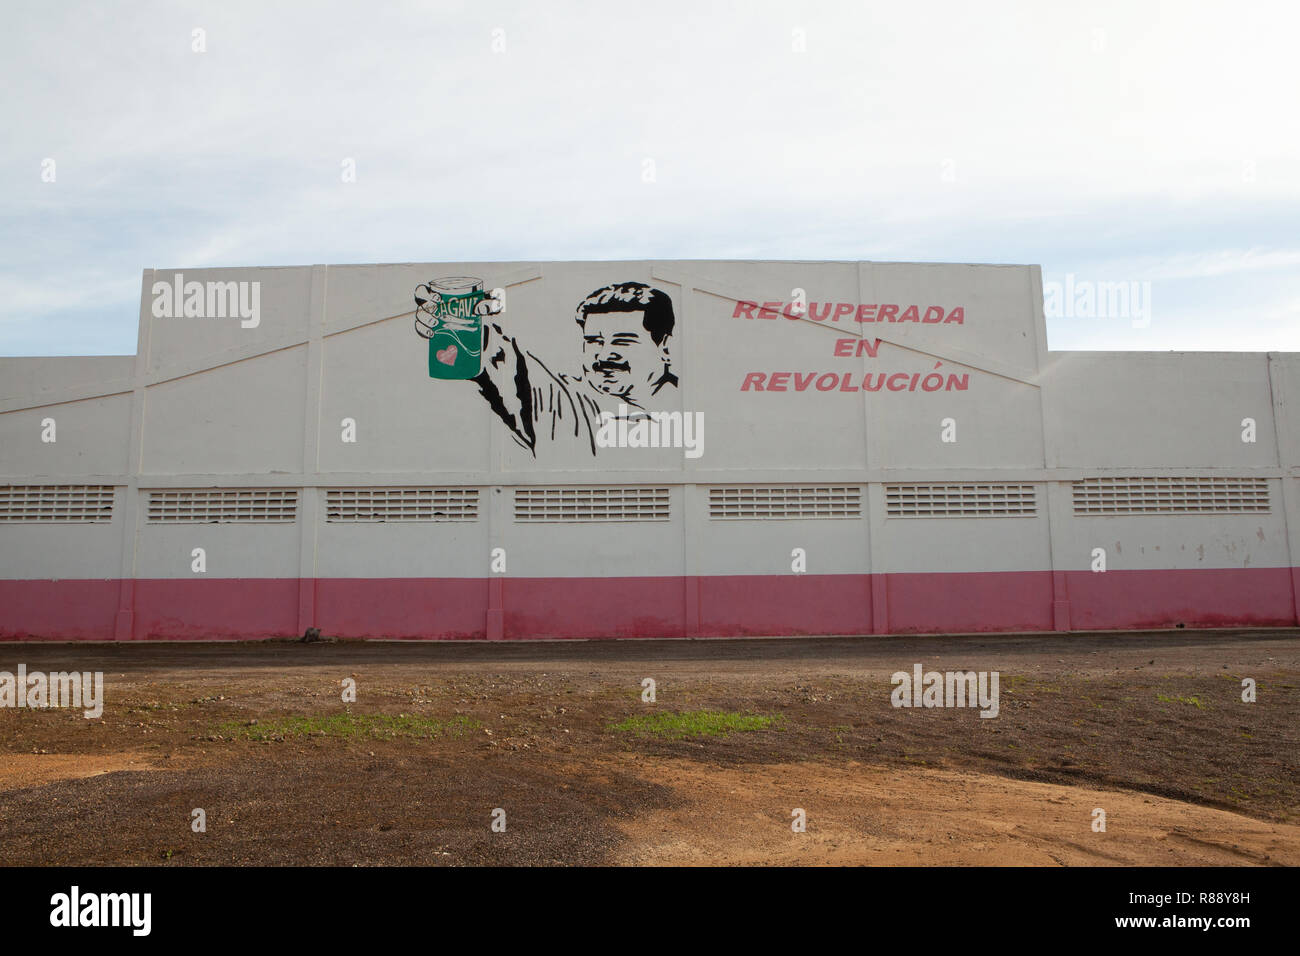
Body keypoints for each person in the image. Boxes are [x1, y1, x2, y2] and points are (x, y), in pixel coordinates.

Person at [417, 280, 677, 455]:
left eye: (623, 341)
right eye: (593, 341)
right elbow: (505, 360)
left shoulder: (695, 405)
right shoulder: (564, 402)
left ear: (664, 346)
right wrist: (466, 328)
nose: (605, 354)